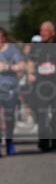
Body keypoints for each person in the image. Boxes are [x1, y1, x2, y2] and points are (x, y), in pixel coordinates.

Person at [0, 27, 26, 157]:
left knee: (9, 117)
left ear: (4, 38)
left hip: (9, 89)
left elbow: (22, 66)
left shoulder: (12, 51)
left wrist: (8, 67)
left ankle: (9, 143)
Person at [27, 21, 55, 152]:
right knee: (42, 113)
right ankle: (43, 141)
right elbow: (31, 62)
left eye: (45, 31)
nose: (42, 33)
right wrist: (30, 74)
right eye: (41, 30)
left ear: (53, 33)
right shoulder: (36, 47)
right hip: (41, 85)